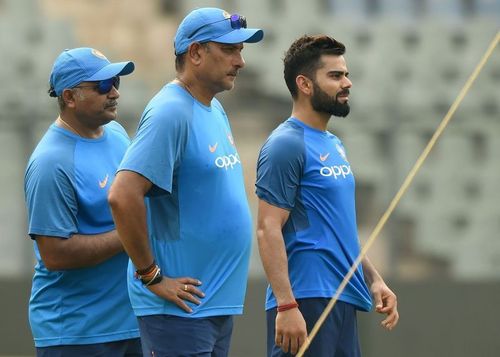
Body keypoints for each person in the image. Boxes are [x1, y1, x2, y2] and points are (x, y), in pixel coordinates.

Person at [107, 7, 264, 357]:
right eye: (229, 49)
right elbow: (122, 195)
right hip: (179, 311)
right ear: (195, 53)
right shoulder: (170, 112)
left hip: (210, 305)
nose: (240, 61)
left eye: (241, 50)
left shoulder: (213, 108)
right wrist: (152, 276)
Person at [255, 35, 399, 357]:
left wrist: (373, 278)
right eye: (335, 76)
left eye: (346, 74)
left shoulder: (334, 143)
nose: (347, 83)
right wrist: (287, 305)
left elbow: (339, 228)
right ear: (304, 84)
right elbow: (267, 228)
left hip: (343, 298)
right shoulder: (285, 144)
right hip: (306, 299)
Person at [24, 47, 141, 356]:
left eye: (116, 81)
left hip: (131, 323)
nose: (114, 92)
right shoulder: (51, 163)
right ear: (70, 97)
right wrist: (131, 234)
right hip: (76, 334)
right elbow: (56, 254)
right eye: (102, 85)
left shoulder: (116, 134)